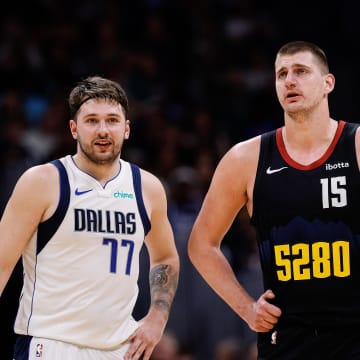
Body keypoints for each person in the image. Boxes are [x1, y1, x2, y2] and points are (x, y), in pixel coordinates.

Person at [188, 40, 360, 359]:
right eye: (281, 74)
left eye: (301, 71)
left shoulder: (356, 145)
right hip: (287, 340)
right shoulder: (245, 158)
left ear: (328, 83)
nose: (289, 80)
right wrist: (246, 309)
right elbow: (201, 244)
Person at [0, 76, 180, 360]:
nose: (103, 130)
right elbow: (2, 264)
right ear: (74, 128)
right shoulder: (43, 182)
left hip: (119, 349)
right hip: (50, 344)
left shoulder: (147, 188)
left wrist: (158, 317)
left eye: (112, 120)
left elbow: (166, 258)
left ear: (127, 128)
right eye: (92, 120)